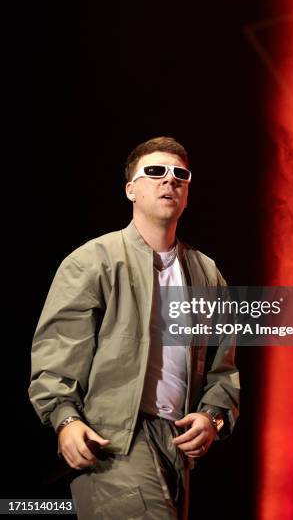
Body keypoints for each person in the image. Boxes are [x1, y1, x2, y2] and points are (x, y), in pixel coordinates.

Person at [29, 136, 240, 520]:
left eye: (180, 174)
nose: (169, 181)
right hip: (112, 441)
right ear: (131, 189)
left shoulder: (208, 275)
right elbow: (58, 348)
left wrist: (213, 416)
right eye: (155, 172)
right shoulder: (93, 261)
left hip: (176, 445)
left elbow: (223, 368)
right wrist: (66, 418)